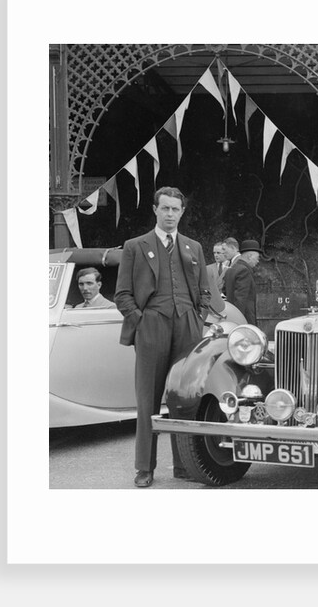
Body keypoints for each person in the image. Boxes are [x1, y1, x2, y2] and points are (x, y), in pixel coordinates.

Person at [114, 186, 212, 488]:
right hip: (152, 325)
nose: (170, 214)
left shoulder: (193, 247)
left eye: (175, 209)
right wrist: (141, 322)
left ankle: (185, 465)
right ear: (155, 210)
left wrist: (199, 317)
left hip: (188, 326)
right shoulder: (135, 246)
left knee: (186, 397)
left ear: (182, 212)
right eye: (165, 208)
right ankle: (144, 467)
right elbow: (122, 295)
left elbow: (206, 291)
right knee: (148, 400)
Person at [223, 239, 261, 326]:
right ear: (249, 256)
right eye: (257, 258)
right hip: (243, 320)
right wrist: (239, 321)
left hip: (231, 316)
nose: (258, 261)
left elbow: (225, 292)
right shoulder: (244, 270)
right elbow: (240, 299)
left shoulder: (231, 269)